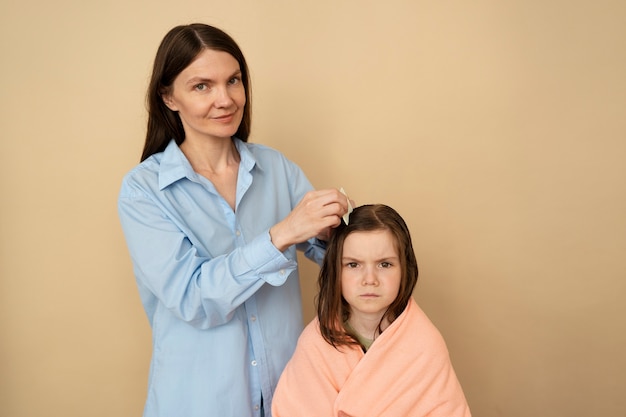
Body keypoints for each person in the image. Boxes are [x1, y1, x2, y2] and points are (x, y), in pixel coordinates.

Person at [117, 23, 349, 417]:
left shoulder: (279, 169)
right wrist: (280, 235)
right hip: (198, 403)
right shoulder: (144, 190)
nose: (225, 99)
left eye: (234, 81)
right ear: (168, 97)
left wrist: (337, 233)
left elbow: (336, 265)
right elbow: (193, 298)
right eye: (202, 86)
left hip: (288, 398)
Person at [272, 204, 472, 417]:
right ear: (335, 270)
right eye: (353, 265)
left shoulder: (426, 345)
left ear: (405, 269)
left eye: (384, 264)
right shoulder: (315, 344)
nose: (370, 280)